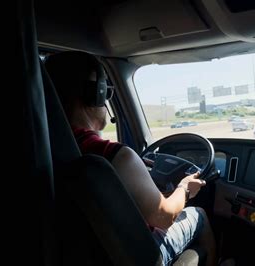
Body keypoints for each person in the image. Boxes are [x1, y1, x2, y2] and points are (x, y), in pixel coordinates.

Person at [45, 51, 216, 266]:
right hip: (139, 253)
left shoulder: (47, 149)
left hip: (82, 254)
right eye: (106, 90)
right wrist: (184, 188)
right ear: (96, 94)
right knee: (199, 214)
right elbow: (164, 217)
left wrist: (134, 171)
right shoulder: (116, 156)